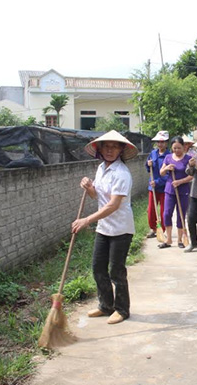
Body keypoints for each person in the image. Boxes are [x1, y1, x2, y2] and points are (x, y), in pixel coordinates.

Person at [72, 130, 138, 324]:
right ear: (100, 149)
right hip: (104, 228)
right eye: (106, 146)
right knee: (98, 268)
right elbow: (98, 197)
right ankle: (106, 305)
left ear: (121, 150)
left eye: (114, 146)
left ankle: (122, 310)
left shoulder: (122, 173)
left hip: (121, 229)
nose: (110, 150)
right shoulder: (101, 168)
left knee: (116, 272)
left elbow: (113, 205)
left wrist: (86, 220)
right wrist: (89, 187)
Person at [158, 137, 193, 249]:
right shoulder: (168, 158)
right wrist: (167, 168)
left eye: (179, 148)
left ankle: (180, 240)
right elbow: (161, 173)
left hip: (183, 191)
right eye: (174, 148)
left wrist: (180, 181)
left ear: (184, 147)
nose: (176, 150)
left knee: (181, 215)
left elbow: (192, 176)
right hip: (169, 190)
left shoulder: (189, 159)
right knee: (166, 213)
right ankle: (168, 239)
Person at [145, 131, 169, 239]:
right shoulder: (153, 153)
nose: (160, 144)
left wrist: (158, 182)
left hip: (164, 188)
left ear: (166, 143)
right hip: (153, 188)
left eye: (162, 142)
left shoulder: (169, 156)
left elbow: (168, 175)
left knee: (164, 211)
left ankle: (163, 230)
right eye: (158, 142)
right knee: (151, 210)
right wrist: (147, 164)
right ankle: (153, 229)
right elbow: (147, 169)